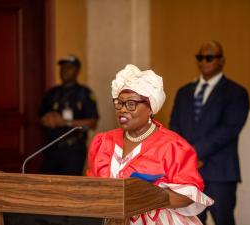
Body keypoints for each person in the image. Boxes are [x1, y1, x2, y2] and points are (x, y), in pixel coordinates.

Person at [87, 64, 213, 225]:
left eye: (131, 104)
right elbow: (91, 188)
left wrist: (148, 196)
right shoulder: (103, 142)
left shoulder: (172, 145)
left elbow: (187, 196)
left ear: (150, 108)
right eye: (119, 103)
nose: (122, 110)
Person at [169, 41, 249, 225]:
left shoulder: (236, 92)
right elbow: (175, 128)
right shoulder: (183, 92)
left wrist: (194, 154)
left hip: (219, 171)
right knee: (190, 221)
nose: (204, 61)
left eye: (209, 57)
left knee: (223, 220)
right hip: (187, 173)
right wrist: (188, 158)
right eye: (200, 57)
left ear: (221, 61)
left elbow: (228, 130)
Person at [38, 54, 99, 175]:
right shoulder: (52, 93)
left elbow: (93, 123)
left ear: (77, 71)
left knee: (70, 188)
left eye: (69, 67)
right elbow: (40, 117)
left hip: (73, 150)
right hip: (51, 148)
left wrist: (65, 122)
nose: (64, 71)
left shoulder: (84, 93)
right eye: (62, 67)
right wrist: (48, 119)